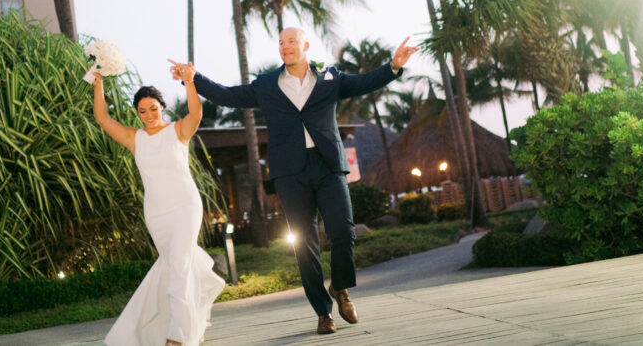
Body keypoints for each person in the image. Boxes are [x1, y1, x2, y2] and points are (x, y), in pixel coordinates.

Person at [175, 28, 418, 335]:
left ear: (304, 45)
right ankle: (323, 312)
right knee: (304, 246)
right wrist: (194, 78)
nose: (285, 46)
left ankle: (340, 287)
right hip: (290, 173)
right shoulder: (266, 85)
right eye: (280, 42)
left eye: (291, 41)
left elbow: (365, 82)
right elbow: (229, 95)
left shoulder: (330, 79)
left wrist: (393, 66)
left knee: (343, 232)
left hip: (328, 166)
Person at [95, 63, 225, 346]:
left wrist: (189, 81)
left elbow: (196, 113)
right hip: (156, 213)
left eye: (153, 108)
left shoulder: (178, 131)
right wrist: (98, 82)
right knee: (177, 267)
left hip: (185, 207)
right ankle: (194, 322)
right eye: (142, 111)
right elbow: (103, 119)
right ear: (137, 113)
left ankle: (177, 337)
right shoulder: (135, 138)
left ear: (162, 107)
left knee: (178, 266)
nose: (149, 115)